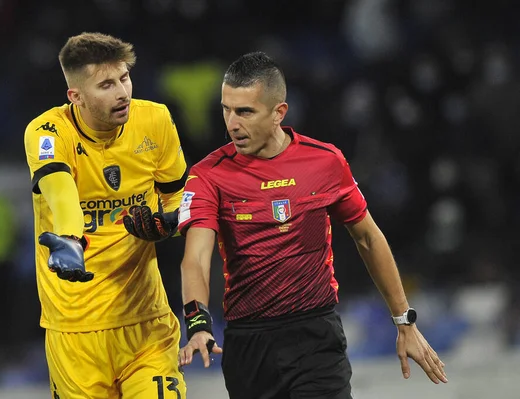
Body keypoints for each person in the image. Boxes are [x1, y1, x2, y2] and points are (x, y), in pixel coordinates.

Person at [177, 52, 447, 399]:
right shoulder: (208, 175)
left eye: (245, 111)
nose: (232, 123)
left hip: (316, 336)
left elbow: (367, 238)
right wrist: (198, 324)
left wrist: (404, 321)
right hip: (249, 345)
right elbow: (196, 258)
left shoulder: (325, 161)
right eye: (226, 109)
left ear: (279, 113)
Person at [23, 32, 187, 398]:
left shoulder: (155, 120)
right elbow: (60, 189)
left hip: (147, 325)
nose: (122, 92)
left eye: (125, 78)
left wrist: (170, 223)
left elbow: (179, 196)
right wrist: (69, 238)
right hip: (74, 332)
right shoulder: (47, 132)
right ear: (75, 96)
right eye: (106, 84)